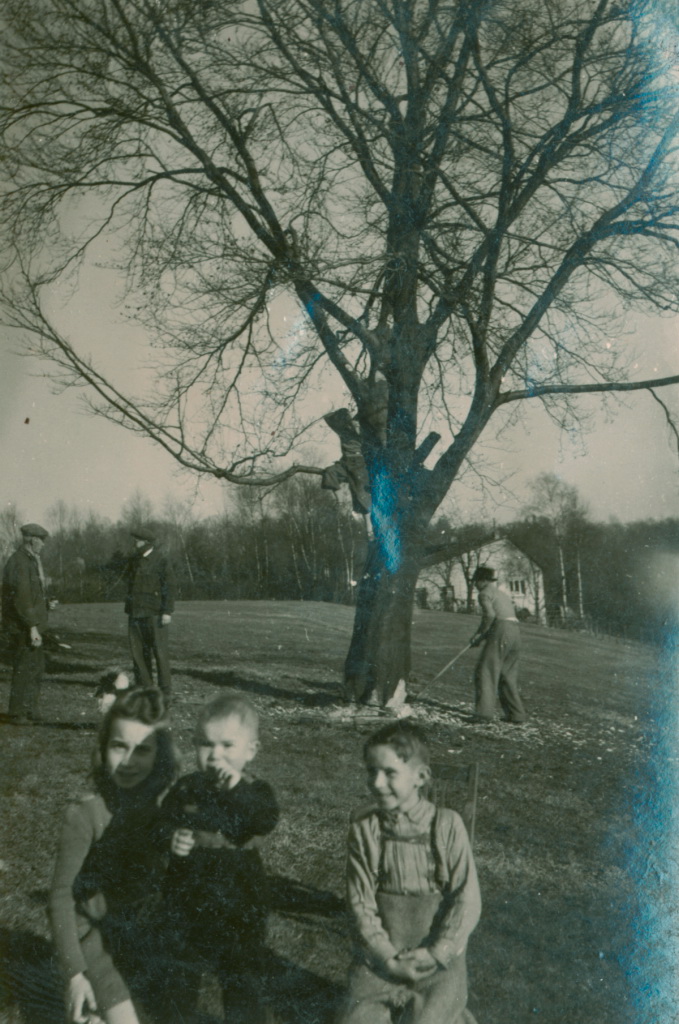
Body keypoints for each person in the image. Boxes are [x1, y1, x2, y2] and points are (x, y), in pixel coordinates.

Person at [49, 688, 179, 1024]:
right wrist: (74, 975)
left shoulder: (161, 807)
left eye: (143, 750)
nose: (129, 761)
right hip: (95, 940)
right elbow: (61, 897)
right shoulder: (85, 814)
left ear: (159, 754)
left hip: (139, 936)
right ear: (105, 745)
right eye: (119, 746)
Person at [337, 721, 480, 1024]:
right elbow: (359, 903)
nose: (376, 783)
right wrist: (386, 958)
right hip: (381, 959)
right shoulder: (365, 830)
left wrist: (438, 952)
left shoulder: (447, 825)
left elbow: (466, 899)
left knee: (432, 1018)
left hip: (437, 963)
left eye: (389, 773)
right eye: (370, 771)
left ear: (421, 777)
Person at [158, 693, 280, 1024]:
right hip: (188, 892)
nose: (215, 756)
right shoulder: (186, 787)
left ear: (251, 751)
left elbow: (264, 819)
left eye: (227, 746)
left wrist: (237, 788)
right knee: (180, 969)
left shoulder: (255, 790)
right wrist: (170, 838)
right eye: (206, 745)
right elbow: (163, 819)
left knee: (242, 974)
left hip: (240, 894)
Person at [2, 522, 54, 723]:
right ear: (32, 540)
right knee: (24, 667)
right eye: (41, 540)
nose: (43, 544)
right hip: (23, 627)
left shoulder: (30, 561)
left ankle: (31, 710)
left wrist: (47, 604)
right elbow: (21, 600)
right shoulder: (19, 563)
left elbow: (32, 595)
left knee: (35, 667)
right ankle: (17, 712)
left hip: (32, 625)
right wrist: (32, 628)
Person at [469, 565, 527, 724]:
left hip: (502, 630)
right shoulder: (500, 593)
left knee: (486, 671)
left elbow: (490, 616)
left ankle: (483, 714)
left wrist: (478, 635)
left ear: (483, 581)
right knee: (506, 673)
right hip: (515, 632)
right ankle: (517, 715)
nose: (475, 584)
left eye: (476, 581)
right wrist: (481, 637)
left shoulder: (484, 593)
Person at [124, 527, 175, 700]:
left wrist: (167, 611)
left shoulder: (161, 560)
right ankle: (145, 691)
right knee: (138, 655)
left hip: (154, 614)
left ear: (146, 543)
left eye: (137, 540)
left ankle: (165, 693)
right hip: (135, 613)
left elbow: (169, 586)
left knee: (160, 654)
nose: (134, 543)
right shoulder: (134, 561)